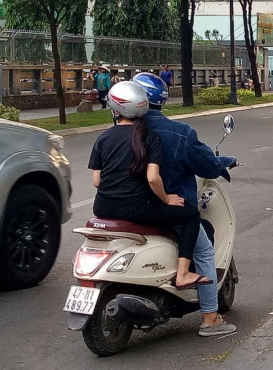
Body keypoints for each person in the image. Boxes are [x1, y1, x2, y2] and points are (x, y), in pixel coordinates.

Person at [132, 72, 237, 337]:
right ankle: (211, 318)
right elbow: (207, 165)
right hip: (169, 209)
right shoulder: (179, 133)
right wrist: (225, 161)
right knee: (203, 250)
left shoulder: (123, 132)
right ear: (162, 100)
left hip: (127, 207)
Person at [89, 82, 211, 291]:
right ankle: (182, 273)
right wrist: (166, 199)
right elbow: (153, 178)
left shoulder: (104, 137)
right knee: (190, 215)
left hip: (102, 208)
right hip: (137, 209)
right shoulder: (149, 138)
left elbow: (97, 181)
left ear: (115, 110)